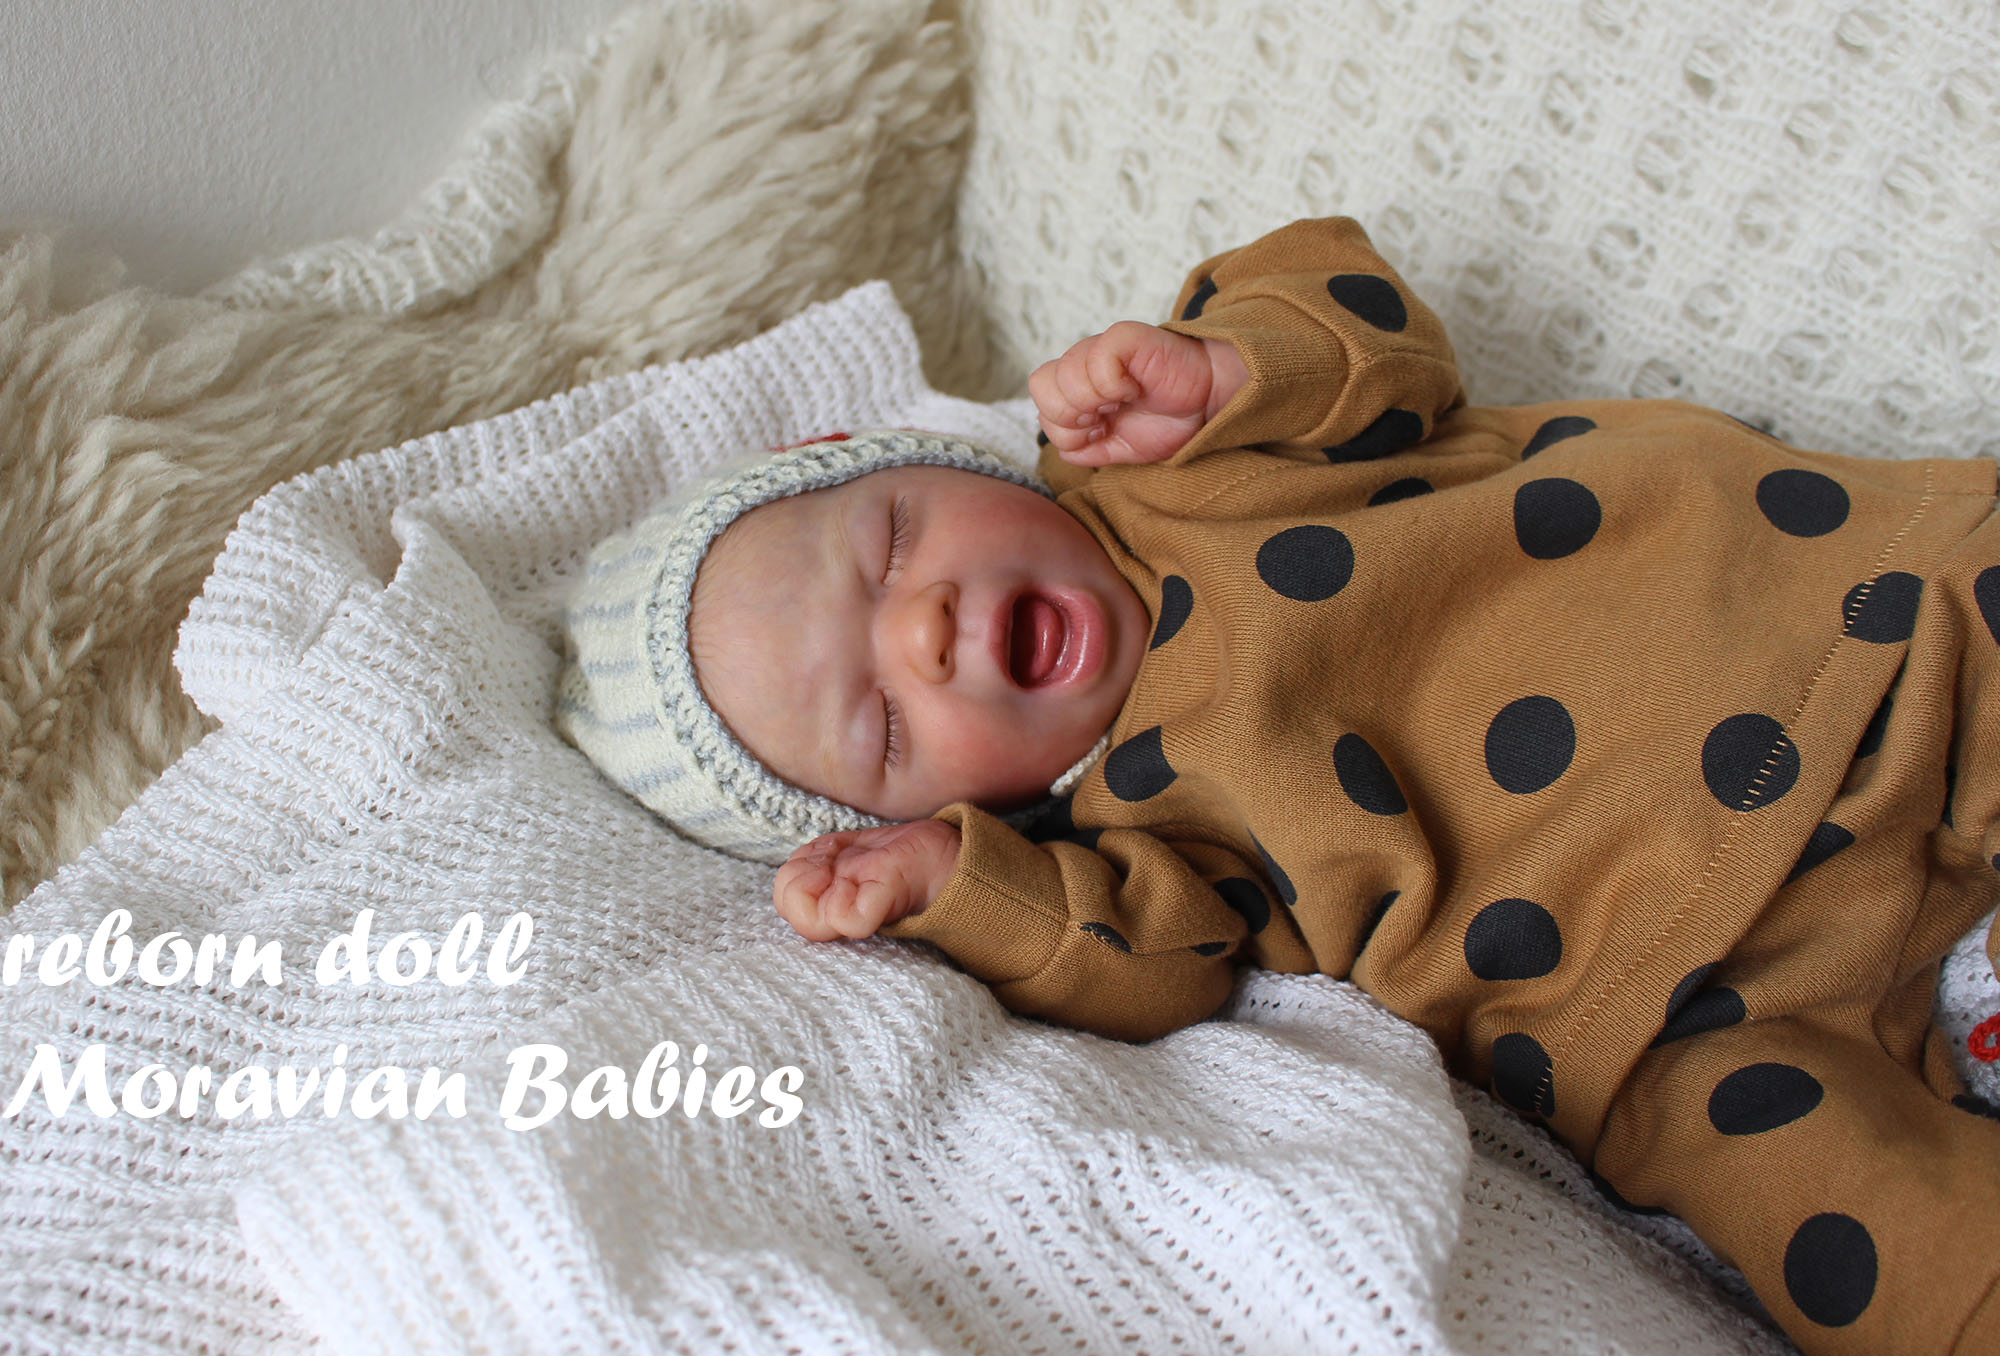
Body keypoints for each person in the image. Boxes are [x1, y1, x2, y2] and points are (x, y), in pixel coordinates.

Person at [559, 217, 2000, 1354]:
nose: (925, 631)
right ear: (924, 812)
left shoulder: (1175, 464)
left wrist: (1228, 368)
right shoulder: (1125, 836)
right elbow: (1156, 971)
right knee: (1866, 1243)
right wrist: (962, 894)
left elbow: (1373, 326)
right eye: (882, 723)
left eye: (888, 544)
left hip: (1859, 627)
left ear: (912, 463)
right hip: (1681, 1006)